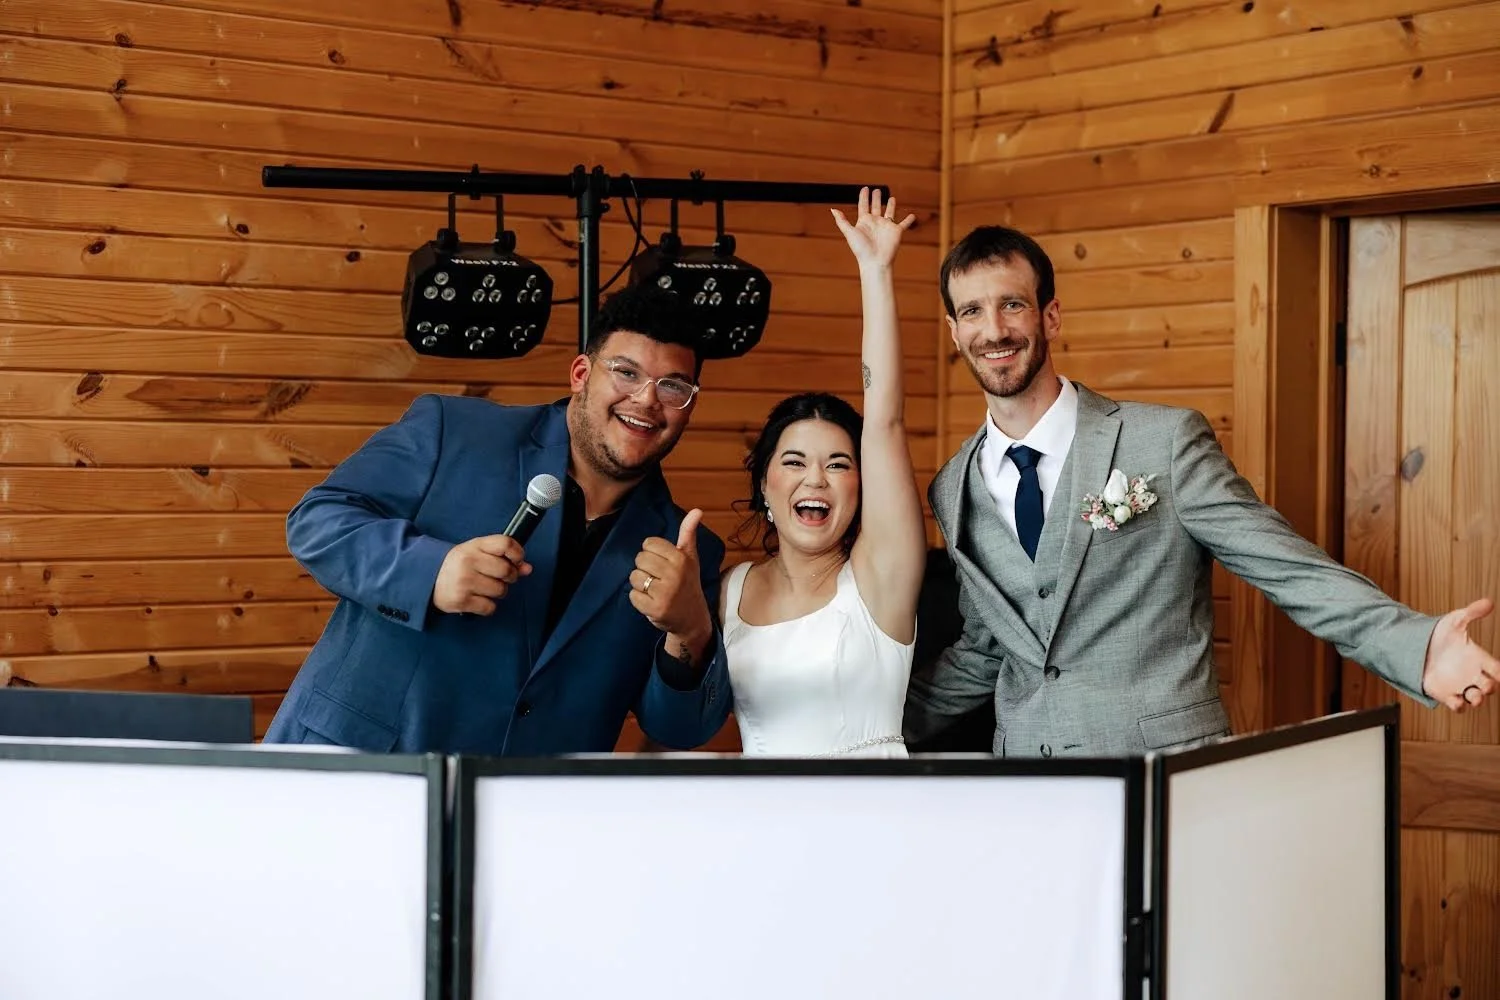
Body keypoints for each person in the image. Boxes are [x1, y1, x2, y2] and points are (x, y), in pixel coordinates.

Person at [903, 224, 1500, 757]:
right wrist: (869, 730)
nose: (995, 330)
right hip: (1029, 783)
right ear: (954, 331)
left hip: (1162, 769)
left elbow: (1285, 567)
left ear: (1050, 316)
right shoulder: (953, 488)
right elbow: (986, 648)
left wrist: (1416, 647)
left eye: (1012, 304)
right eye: (973, 312)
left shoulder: (1162, 442)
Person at [263, 283, 732, 755]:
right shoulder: (453, 430)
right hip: (356, 768)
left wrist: (690, 630)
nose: (647, 400)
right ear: (581, 374)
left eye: (673, 386)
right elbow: (317, 521)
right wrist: (432, 571)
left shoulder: (689, 550)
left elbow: (678, 730)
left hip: (527, 795)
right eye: (626, 373)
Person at [720, 188, 929, 757]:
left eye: (838, 464)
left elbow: (884, 421)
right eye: (794, 462)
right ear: (765, 486)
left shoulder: (879, 577)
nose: (815, 479)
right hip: (765, 807)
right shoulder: (730, 589)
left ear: (861, 488)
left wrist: (876, 271)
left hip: (872, 805)